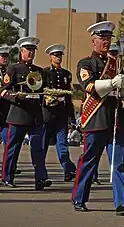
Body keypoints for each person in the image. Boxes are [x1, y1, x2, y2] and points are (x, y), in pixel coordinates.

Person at [72, 21, 124, 215]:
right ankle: (79, 198)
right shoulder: (86, 63)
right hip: (96, 118)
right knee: (89, 161)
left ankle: (122, 203)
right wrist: (111, 82)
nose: (106, 41)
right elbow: (89, 86)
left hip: (115, 119)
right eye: (102, 38)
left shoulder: (116, 64)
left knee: (118, 163)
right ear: (93, 40)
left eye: (108, 38)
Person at [0, 37, 52, 190]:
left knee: (38, 148)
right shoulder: (13, 69)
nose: (30, 53)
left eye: (32, 51)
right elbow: (3, 91)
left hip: (35, 116)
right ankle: (7, 177)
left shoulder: (39, 71)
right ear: (21, 51)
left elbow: (43, 90)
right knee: (13, 148)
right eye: (27, 50)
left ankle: (41, 178)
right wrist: (15, 96)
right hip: (18, 114)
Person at [93, 43, 124, 185]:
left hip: (115, 115)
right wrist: (112, 83)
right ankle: (91, 177)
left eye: (116, 53)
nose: (114, 56)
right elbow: (92, 88)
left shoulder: (119, 69)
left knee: (119, 154)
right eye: (112, 53)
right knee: (92, 155)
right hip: (98, 115)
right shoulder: (96, 65)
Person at [42, 44, 76, 182]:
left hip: (61, 113)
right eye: (56, 56)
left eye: (60, 55)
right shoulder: (44, 73)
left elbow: (68, 97)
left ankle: (68, 170)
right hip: (47, 113)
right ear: (50, 57)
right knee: (42, 146)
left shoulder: (66, 74)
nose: (58, 58)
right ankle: (40, 173)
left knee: (62, 145)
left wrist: (71, 116)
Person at [0, 46, 21, 176]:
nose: (5, 59)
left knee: (9, 143)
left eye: (6, 57)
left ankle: (9, 168)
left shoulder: (9, 72)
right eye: (2, 56)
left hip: (5, 113)